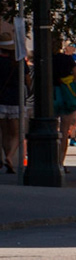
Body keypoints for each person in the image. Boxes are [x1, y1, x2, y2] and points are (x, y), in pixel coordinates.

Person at [0, 32, 21, 173]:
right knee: (16, 133)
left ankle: (6, 158)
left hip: (1, 100)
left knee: (4, 132)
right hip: (15, 99)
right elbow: (27, 80)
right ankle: (10, 156)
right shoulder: (17, 62)